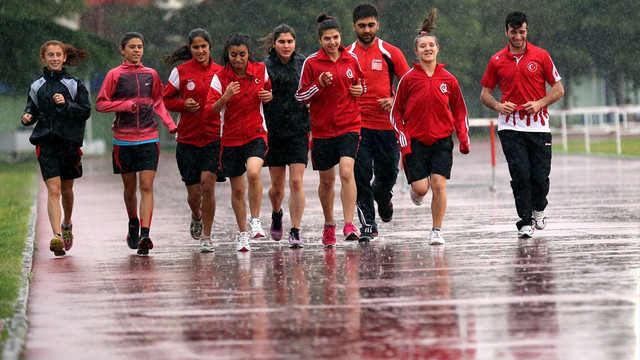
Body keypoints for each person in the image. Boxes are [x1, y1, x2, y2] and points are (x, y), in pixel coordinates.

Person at [480, 11, 564, 238]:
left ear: (527, 31)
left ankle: (539, 209)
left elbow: (558, 89)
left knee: (539, 177)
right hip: (510, 127)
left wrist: (540, 103)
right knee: (521, 175)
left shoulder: (541, 56)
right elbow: (485, 94)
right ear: (506, 31)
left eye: (522, 31)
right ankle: (525, 221)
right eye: (513, 32)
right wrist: (498, 106)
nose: (518, 36)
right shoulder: (497, 60)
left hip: (538, 127)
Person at [390, 9, 470, 245]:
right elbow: (396, 114)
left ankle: (437, 229)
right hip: (415, 142)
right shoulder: (408, 79)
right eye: (422, 46)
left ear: (437, 49)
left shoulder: (449, 79)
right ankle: (416, 190)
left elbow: (460, 111)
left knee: (438, 185)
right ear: (416, 51)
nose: (427, 49)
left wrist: (463, 138)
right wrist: (403, 140)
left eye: (431, 45)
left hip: (442, 141)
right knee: (422, 189)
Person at [96, 32, 177, 255]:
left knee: (147, 186)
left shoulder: (150, 74)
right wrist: (124, 105)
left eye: (140, 46)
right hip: (123, 140)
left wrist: (170, 124)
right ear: (122, 50)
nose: (137, 50)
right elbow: (101, 104)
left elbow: (158, 101)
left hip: (150, 137)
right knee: (130, 189)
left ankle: (145, 233)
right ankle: (133, 222)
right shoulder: (114, 75)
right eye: (132, 47)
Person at [295, 12, 364, 246]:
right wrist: (318, 85)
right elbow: (301, 96)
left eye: (335, 37)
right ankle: (329, 224)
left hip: (349, 124)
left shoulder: (351, 59)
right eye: (327, 38)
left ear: (341, 36)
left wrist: (360, 90)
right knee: (326, 181)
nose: (332, 42)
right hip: (323, 129)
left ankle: (349, 223)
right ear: (320, 40)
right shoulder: (312, 63)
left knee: (346, 172)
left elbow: (359, 83)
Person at [346, 3, 411, 241]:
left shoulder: (390, 52)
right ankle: (368, 224)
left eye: (370, 25)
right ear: (354, 26)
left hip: (386, 126)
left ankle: (383, 197)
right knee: (360, 174)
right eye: (361, 26)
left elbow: (409, 84)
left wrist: (394, 99)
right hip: (356, 125)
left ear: (378, 25)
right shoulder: (346, 54)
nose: (366, 30)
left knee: (388, 174)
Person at [21, 40, 91, 256]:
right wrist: (27, 117)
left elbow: (86, 111)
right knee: (53, 189)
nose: (54, 58)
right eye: (50, 55)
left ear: (64, 58)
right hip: (46, 142)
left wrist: (66, 104)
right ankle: (56, 237)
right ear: (43, 58)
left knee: (67, 191)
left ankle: (67, 225)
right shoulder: (36, 85)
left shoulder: (74, 84)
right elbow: (31, 107)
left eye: (58, 55)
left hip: (69, 143)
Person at [206, 33, 273, 252]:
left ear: (248, 54)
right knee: (237, 190)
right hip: (231, 138)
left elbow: (268, 91)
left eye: (242, 54)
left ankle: (255, 220)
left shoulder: (261, 71)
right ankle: (242, 233)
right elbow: (210, 111)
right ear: (228, 55)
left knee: (254, 172)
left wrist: (268, 97)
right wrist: (225, 97)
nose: (238, 59)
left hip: (255, 133)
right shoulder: (220, 78)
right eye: (234, 55)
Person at [163, 28, 224, 253]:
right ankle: (196, 216)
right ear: (190, 49)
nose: (200, 50)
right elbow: (165, 99)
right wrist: (183, 105)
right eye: (195, 47)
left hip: (213, 137)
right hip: (187, 139)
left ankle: (207, 236)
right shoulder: (180, 71)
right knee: (194, 194)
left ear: (210, 47)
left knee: (208, 185)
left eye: (203, 46)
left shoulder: (221, 72)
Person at [260, 24, 311, 248]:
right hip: (274, 131)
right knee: (278, 188)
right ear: (274, 43)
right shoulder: (264, 66)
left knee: (297, 182)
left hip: (299, 129)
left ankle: (295, 230)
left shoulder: (303, 63)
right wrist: (262, 96)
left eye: (290, 41)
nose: (286, 45)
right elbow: (253, 90)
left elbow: (313, 89)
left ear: (294, 43)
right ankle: (277, 212)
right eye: (282, 42)